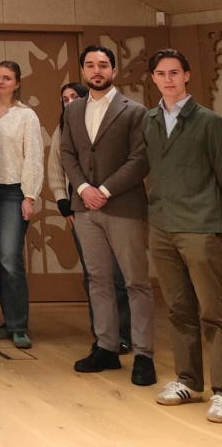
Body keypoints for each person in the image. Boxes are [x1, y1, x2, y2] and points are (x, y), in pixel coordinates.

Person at [60, 45, 155, 386]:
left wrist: (105, 190)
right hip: (84, 208)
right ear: (83, 71)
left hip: (123, 207)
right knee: (98, 281)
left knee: (135, 282)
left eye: (103, 65)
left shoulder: (135, 111)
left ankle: (144, 354)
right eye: (90, 65)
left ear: (113, 71)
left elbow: (140, 160)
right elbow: (67, 153)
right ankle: (107, 347)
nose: (96, 70)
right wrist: (84, 188)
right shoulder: (73, 111)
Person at [143, 48, 222, 422]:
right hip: (161, 226)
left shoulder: (209, 122)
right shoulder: (149, 120)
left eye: (175, 72)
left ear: (187, 75)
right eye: (161, 73)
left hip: (202, 226)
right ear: (154, 79)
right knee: (179, 309)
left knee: (214, 311)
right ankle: (189, 381)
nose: (168, 79)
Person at [47, 82, 132, 353]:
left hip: (116, 206)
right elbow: (57, 169)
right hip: (80, 208)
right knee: (94, 275)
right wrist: (66, 205)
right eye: (64, 98)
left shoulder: (111, 124)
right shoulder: (62, 129)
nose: (69, 101)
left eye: (74, 96)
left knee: (119, 275)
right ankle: (102, 334)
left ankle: (123, 334)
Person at [0, 61, 43, 349]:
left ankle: (19, 325)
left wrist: (30, 196)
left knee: (10, 259)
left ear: (17, 83)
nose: (1, 81)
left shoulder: (26, 116)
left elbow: (34, 158)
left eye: (7, 78)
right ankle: (8, 318)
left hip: (13, 192)